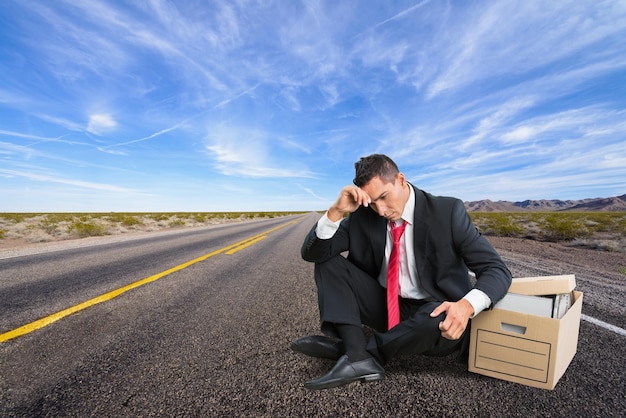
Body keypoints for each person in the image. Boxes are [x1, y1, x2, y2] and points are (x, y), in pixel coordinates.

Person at [292, 154, 512, 390]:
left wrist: (466, 306)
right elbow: (313, 254)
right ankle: (357, 354)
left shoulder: (447, 212)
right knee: (328, 262)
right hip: (387, 307)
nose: (381, 210)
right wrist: (335, 212)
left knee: (437, 316)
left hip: (434, 315)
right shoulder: (364, 216)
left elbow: (496, 270)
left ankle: (354, 350)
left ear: (401, 179)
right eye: (373, 202)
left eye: (384, 197)